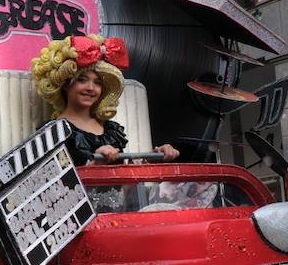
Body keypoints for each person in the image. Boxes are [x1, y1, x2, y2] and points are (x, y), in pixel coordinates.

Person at [31, 34, 179, 167]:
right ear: (65, 84)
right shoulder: (52, 133)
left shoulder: (112, 131)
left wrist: (154, 158)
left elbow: (125, 188)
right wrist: (94, 167)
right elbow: (47, 189)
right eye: (82, 80)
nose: (91, 88)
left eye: (97, 83)